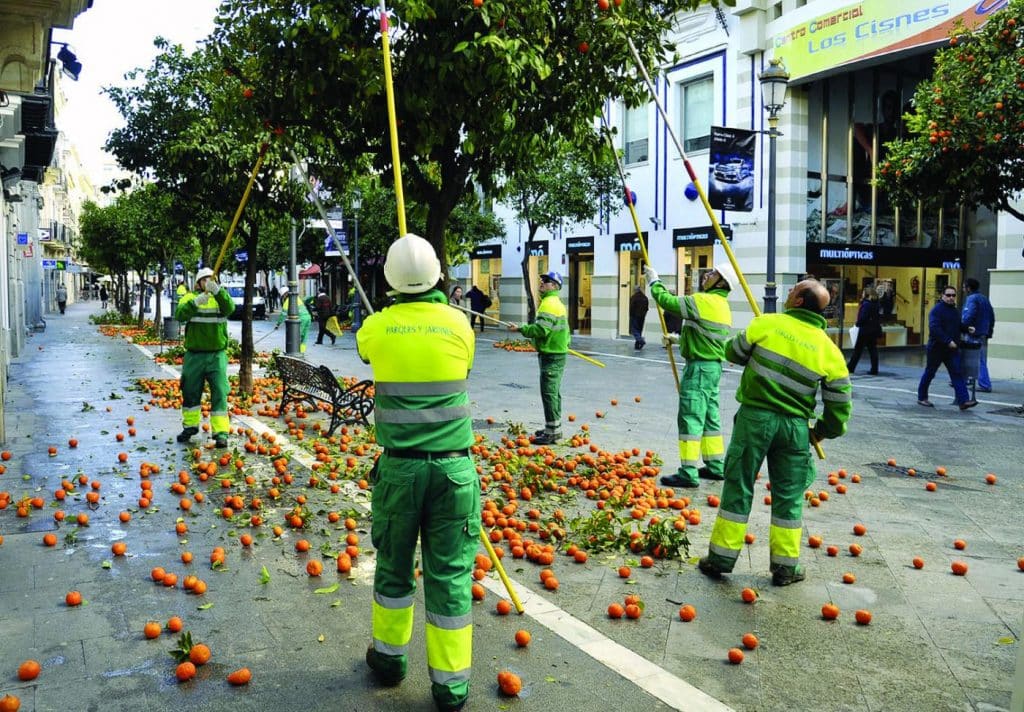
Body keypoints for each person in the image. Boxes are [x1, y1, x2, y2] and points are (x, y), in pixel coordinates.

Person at [356, 234, 478, 712]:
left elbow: (366, 352)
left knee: (393, 567)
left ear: (389, 278)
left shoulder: (376, 327)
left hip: (400, 472)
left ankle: (389, 660)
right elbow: (461, 365)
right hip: (454, 473)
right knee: (450, 576)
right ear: (438, 276)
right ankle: (450, 687)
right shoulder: (459, 324)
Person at [698, 279, 852, 586]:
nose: (788, 294)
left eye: (793, 291)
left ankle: (720, 559)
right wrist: (819, 432)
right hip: (795, 429)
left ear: (797, 301)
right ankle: (785, 568)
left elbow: (733, 352)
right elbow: (839, 409)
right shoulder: (830, 351)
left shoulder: (766, 324)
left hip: (754, 420)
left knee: (738, 485)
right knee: (789, 497)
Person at [645, 263, 735, 489]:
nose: (707, 275)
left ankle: (688, 472)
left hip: (699, 369)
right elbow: (705, 337)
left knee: (690, 418)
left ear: (721, 282)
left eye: (714, 274)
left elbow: (668, 302)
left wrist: (654, 282)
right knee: (709, 418)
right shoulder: (721, 305)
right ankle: (715, 465)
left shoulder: (703, 301)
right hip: (712, 367)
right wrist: (678, 339)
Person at [174, 267, 235, 448]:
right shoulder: (189, 298)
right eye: (204, 279)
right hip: (194, 355)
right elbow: (179, 315)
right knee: (190, 392)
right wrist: (194, 304)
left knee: (219, 393)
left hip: (216, 355)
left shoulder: (220, 298)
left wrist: (218, 292)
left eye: (211, 279)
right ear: (198, 283)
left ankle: (221, 433)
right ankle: (190, 427)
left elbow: (230, 308)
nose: (208, 282)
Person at [508, 271, 569, 445]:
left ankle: (552, 433)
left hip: (552, 355)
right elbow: (566, 331)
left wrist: (522, 329)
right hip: (556, 353)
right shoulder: (556, 303)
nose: (542, 282)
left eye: (547, 281)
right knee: (553, 393)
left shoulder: (549, 304)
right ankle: (553, 427)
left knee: (549, 393)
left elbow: (541, 330)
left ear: (555, 286)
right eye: (542, 279)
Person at [917, 287, 974, 409]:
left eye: (953, 295)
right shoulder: (936, 310)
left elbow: (957, 325)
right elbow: (935, 328)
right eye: (948, 295)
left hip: (951, 349)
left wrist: (966, 328)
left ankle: (963, 401)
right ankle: (922, 397)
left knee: (956, 373)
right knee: (930, 373)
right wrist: (948, 341)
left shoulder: (954, 310)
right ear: (942, 296)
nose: (951, 297)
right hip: (936, 348)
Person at [961, 278, 995, 393]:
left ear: (968, 288)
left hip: (973, 332)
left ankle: (984, 384)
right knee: (978, 358)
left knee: (973, 358)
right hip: (982, 333)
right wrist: (989, 331)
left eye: (964, 287)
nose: (963, 289)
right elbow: (992, 316)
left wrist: (962, 327)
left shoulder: (972, 299)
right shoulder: (984, 298)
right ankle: (968, 380)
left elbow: (968, 315)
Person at [846, 287, 882, 375]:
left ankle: (851, 367)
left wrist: (858, 324)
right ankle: (874, 369)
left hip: (865, 330)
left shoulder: (866, 304)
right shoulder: (877, 304)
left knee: (858, 349)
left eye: (863, 293)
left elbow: (863, 317)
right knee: (873, 349)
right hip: (874, 329)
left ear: (867, 294)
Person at [275, 286, 312, 354]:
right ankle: (302, 352)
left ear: (284, 294)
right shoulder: (297, 298)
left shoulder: (288, 301)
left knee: (296, 336)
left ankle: (295, 352)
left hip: (301, 319)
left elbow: (283, 314)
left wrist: (278, 324)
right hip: (308, 317)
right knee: (304, 337)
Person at [629, 285, 649, 350]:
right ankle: (637, 345)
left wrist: (631, 314)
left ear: (635, 290)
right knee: (639, 330)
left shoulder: (634, 297)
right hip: (642, 316)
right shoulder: (645, 298)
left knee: (634, 329)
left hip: (634, 316)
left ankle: (641, 341)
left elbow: (631, 307)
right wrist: (644, 314)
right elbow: (646, 308)